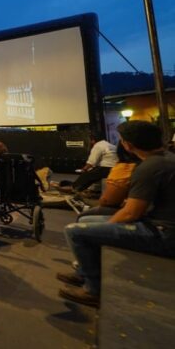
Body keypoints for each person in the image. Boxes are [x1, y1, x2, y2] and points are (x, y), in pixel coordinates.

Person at [58, 121, 175, 307]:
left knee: (75, 231)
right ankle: (83, 271)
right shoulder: (166, 158)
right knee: (88, 218)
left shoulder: (149, 167)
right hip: (157, 222)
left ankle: (93, 290)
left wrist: (105, 228)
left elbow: (130, 214)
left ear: (128, 145)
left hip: (163, 234)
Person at [76, 141, 141, 223]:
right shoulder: (155, 162)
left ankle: (76, 189)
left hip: (139, 215)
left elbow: (108, 202)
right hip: (150, 213)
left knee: (82, 218)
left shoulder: (125, 168)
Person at [53, 136, 118, 197]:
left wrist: (84, 169)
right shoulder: (110, 145)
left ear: (93, 140)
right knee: (92, 173)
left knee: (87, 175)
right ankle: (86, 188)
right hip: (115, 167)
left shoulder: (98, 146)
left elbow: (91, 162)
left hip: (106, 168)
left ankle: (73, 189)